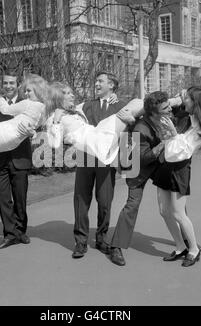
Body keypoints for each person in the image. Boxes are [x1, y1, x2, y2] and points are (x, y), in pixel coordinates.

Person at [0, 72, 51, 250]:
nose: (8, 86)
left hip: (20, 159)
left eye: (12, 83)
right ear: (2, 84)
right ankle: (10, 234)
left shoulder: (29, 104)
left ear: (17, 85)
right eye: (5, 83)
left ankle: (21, 231)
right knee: (3, 199)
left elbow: (41, 125)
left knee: (20, 199)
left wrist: (34, 133)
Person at [109, 91, 174, 266]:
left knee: (175, 198)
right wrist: (163, 143)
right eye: (165, 108)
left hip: (155, 163)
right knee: (132, 205)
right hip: (136, 166)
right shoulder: (140, 128)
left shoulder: (161, 117)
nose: (170, 109)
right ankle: (116, 247)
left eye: (169, 106)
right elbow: (142, 157)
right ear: (153, 112)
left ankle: (185, 241)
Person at [67, 72, 127, 258]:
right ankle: (81, 241)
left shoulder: (121, 106)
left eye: (100, 81)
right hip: (85, 159)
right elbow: (67, 111)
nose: (96, 84)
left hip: (107, 162)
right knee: (81, 200)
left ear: (111, 85)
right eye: (96, 81)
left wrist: (125, 163)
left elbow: (127, 132)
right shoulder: (86, 105)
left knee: (105, 202)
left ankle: (102, 239)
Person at [153, 86, 201, 267]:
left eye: (186, 98)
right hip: (166, 166)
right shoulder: (185, 116)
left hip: (179, 167)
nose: (183, 100)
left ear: (196, 102)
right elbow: (170, 107)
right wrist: (178, 97)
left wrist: (173, 133)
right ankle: (180, 247)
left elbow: (183, 152)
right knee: (164, 212)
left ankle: (194, 249)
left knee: (178, 214)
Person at [46, 82, 144, 165]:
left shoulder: (76, 110)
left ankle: (145, 120)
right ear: (57, 97)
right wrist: (56, 120)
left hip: (98, 131)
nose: (72, 95)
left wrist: (112, 95)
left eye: (71, 93)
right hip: (95, 141)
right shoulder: (53, 119)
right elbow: (54, 144)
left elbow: (91, 103)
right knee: (139, 104)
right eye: (67, 93)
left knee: (137, 102)